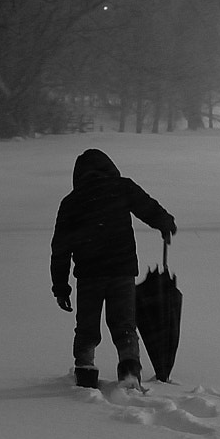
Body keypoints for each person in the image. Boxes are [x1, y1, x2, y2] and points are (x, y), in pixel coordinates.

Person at [49, 148, 176, 389]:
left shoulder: (71, 202)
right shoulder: (122, 187)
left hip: (89, 276)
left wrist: (61, 287)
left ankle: (85, 372)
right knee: (124, 325)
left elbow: (60, 249)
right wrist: (164, 223)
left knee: (87, 328)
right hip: (122, 271)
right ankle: (129, 374)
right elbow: (146, 207)